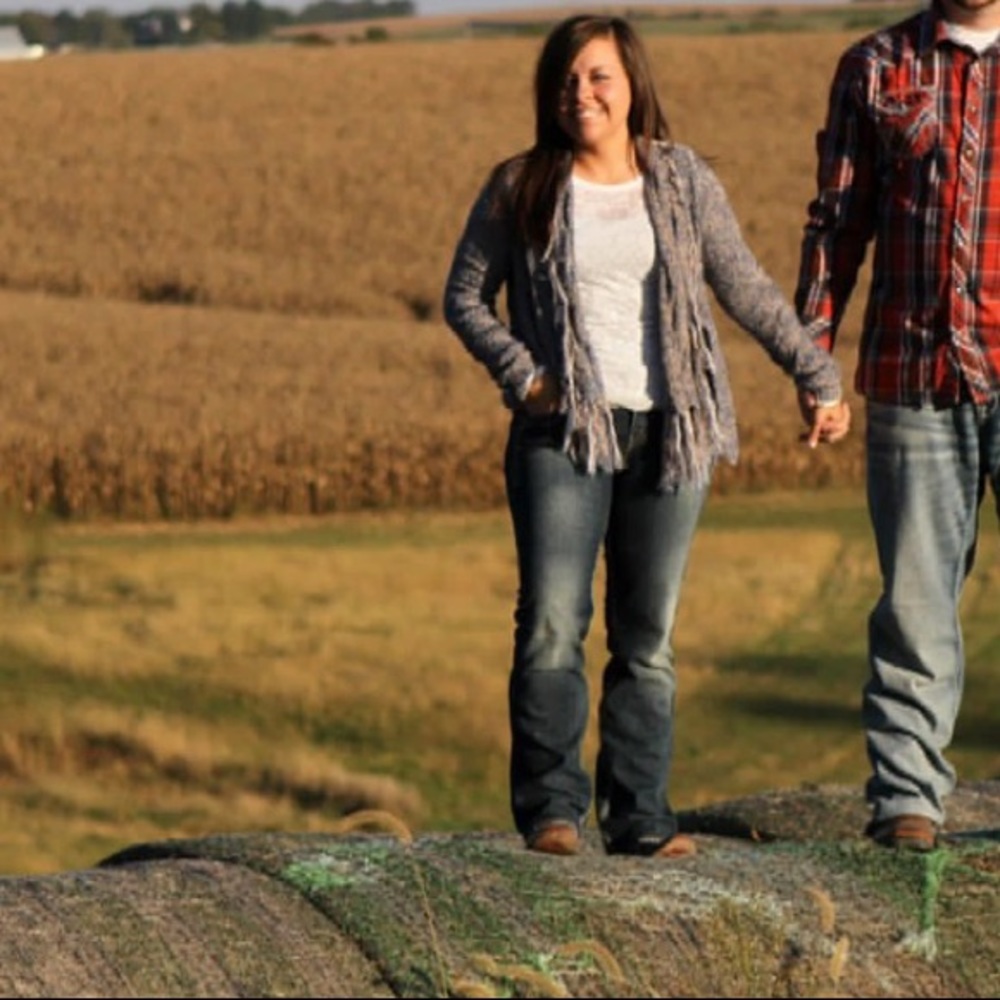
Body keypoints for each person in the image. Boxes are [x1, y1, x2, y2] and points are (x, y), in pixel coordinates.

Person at [444, 13, 851, 859]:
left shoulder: (680, 179)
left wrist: (814, 374)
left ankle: (640, 820)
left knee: (648, 637)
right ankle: (554, 813)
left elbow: (744, 286)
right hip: (563, 434)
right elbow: (465, 298)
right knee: (553, 622)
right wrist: (525, 376)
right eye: (566, 80)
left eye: (597, 77)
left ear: (631, 85)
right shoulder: (521, 184)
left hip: (672, 433)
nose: (581, 93)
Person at [795, 0, 1000, 853]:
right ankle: (909, 799)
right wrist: (814, 357)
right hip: (915, 371)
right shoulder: (876, 66)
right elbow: (838, 222)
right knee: (916, 601)